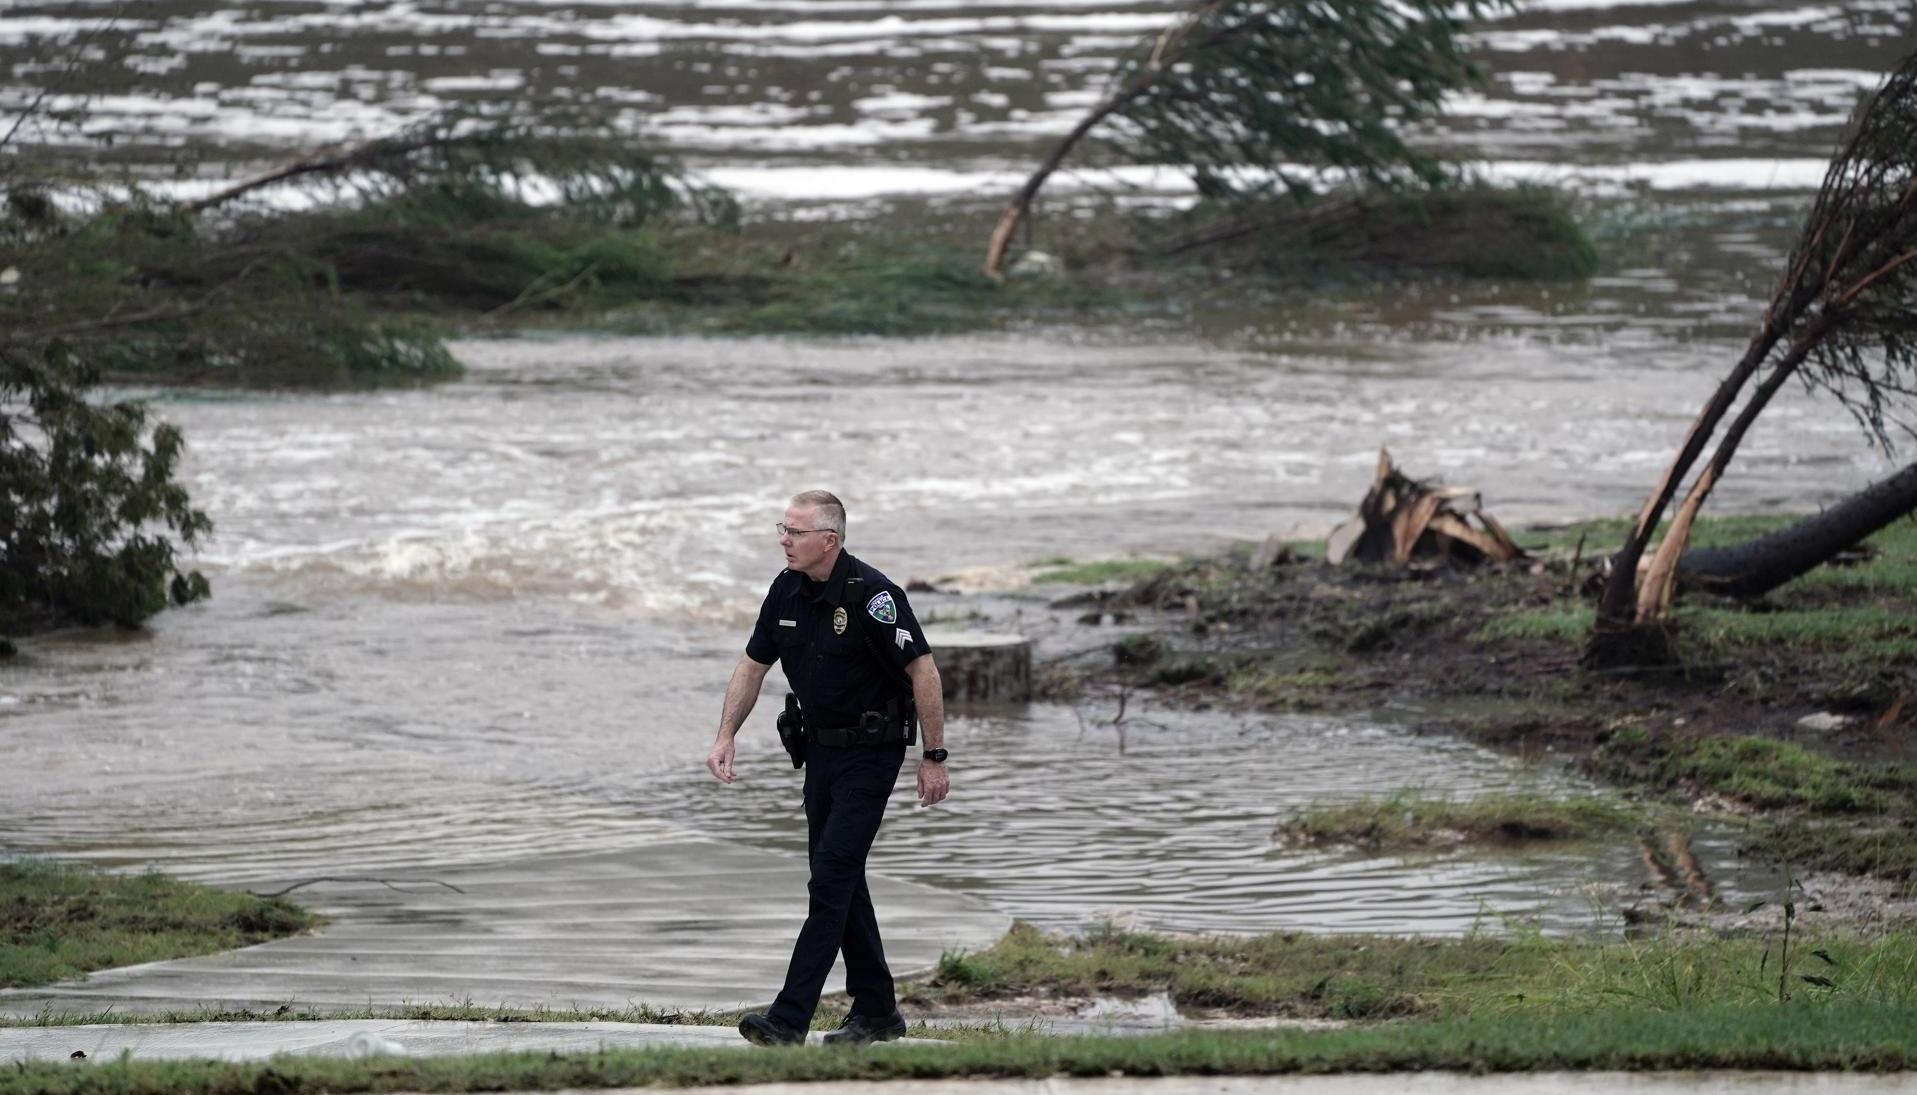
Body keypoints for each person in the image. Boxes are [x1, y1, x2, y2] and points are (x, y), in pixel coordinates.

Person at [706, 490, 950, 1047]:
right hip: (819, 754)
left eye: (794, 532)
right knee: (843, 880)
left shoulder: (875, 596)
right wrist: (726, 735)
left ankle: (789, 1018)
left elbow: (924, 672)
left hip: (872, 753)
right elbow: (752, 664)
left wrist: (933, 756)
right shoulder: (785, 588)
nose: (783, 540)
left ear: (829, 541)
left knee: (831, 878)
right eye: (782, 529)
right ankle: (878, 1011)